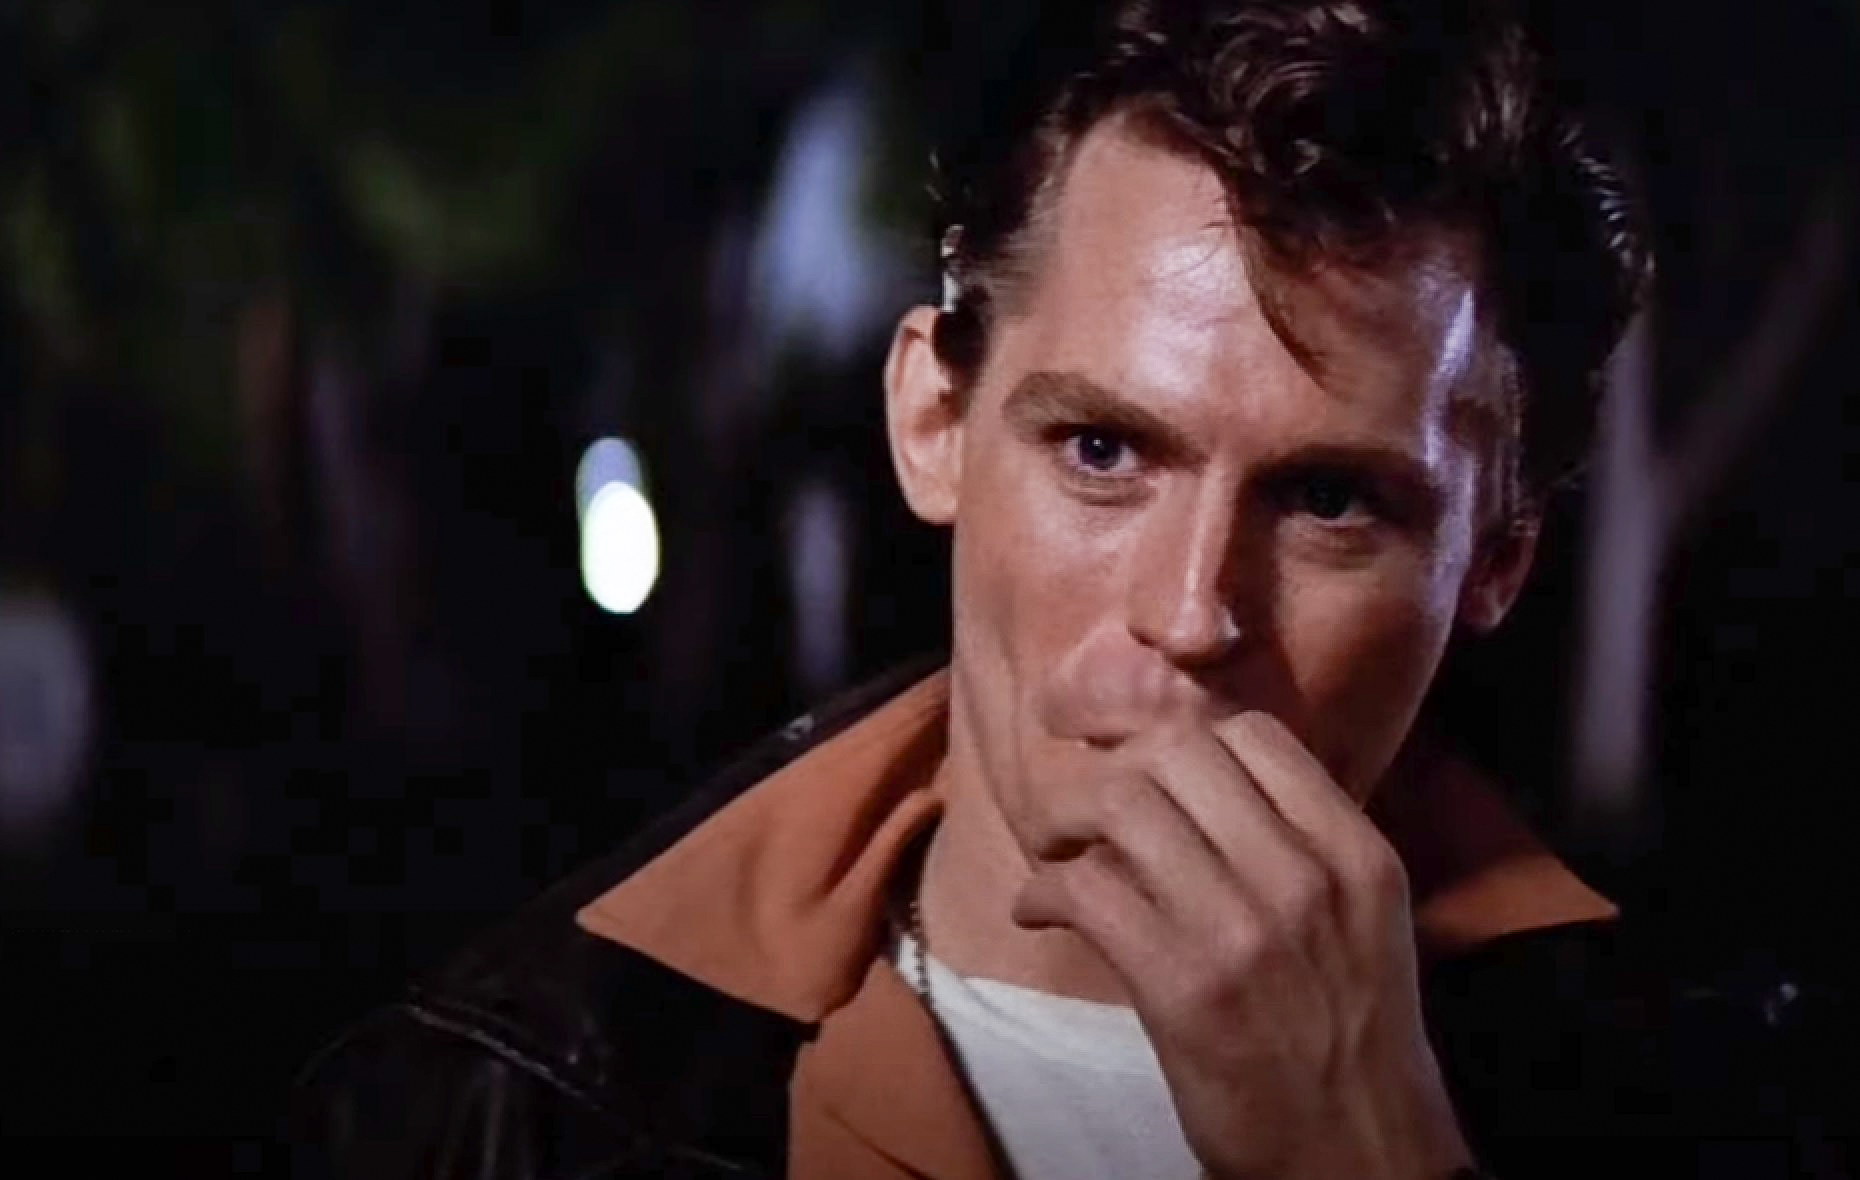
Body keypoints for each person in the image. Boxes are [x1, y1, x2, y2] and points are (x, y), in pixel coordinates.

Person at [289, 2, 1848, 1177]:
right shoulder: (496, 1106)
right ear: (935, 421)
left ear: (1494, 562)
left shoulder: (1716, 1100)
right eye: (1104, 450)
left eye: (1327, 501)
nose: (1190, 614)